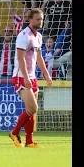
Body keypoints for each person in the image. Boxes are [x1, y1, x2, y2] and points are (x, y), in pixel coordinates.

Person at [9, 8, 53, 148]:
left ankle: (29, 141)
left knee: (32, 110)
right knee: (33, 108)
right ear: (30, 19)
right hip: (21, 76)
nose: (40, 22)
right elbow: (21, 59)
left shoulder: (39, 37)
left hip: (32, 77)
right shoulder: (23, 36)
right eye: (38, 19)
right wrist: (26, 78)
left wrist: (46, 74)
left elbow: (38, 58)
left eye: (41, 19)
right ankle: (14, 132)